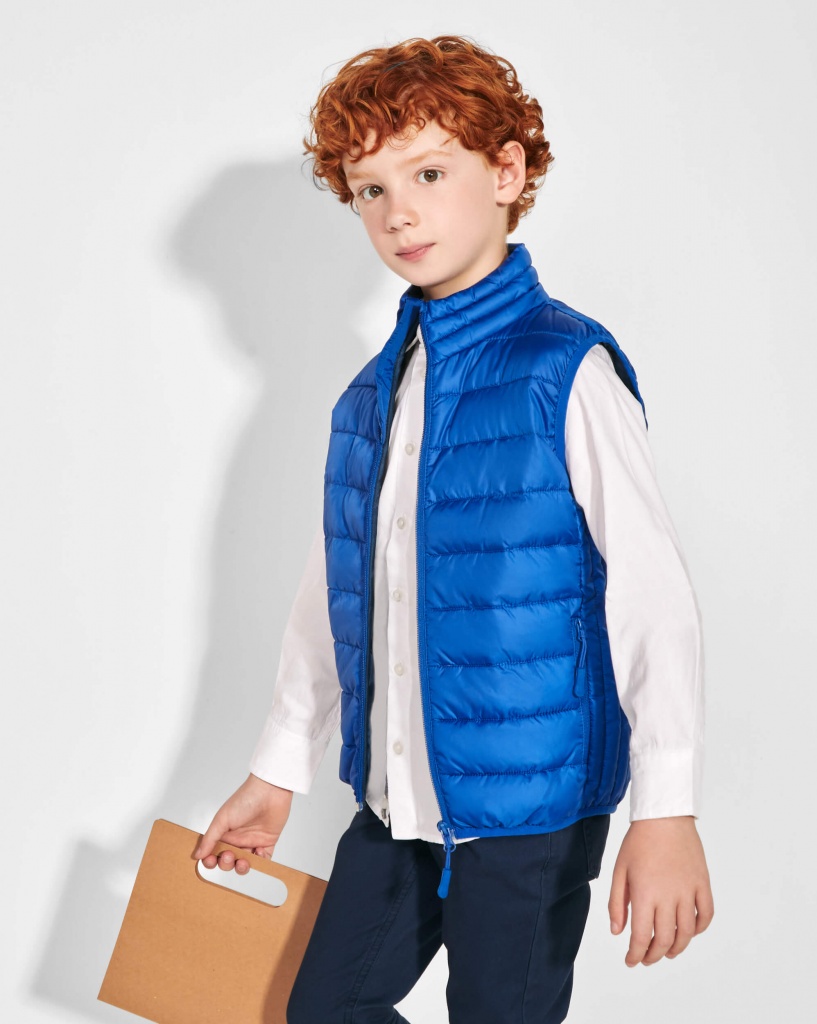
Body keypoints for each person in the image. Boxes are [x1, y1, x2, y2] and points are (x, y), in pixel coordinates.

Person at [193, 35, 714, 1023]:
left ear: (506, 172)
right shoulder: (368, 397)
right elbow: (335, 596)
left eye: (429, 174)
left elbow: (654, 598)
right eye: (370, 189)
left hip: (531, 811)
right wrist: (276, 771)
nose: (399, 212)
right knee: (322, 1009)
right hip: (398, 801)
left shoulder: (565, 370)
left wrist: (667, 808)